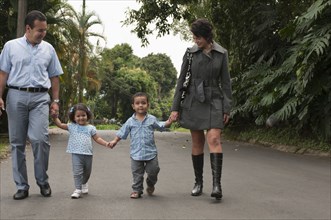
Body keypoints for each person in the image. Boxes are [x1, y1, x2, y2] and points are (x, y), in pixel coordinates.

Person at [0, 10, 63, 200]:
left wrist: (56, 101)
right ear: (28, 28)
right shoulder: (11, 47)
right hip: (16, 96)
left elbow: (54, 76)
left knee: (40, 139)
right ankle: (21, 186)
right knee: (17, 143)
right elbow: (3, 73)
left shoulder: (48, 49)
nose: (43, 34)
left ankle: (43, 181)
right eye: (40, 30)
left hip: (40, 98)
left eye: (45, 30)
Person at [170, 18, 233, 200]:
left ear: (207, 36)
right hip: (193, 99)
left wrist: (226, 108)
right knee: (197, 142)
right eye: (194, 37)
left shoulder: (222, 53)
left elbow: (226, 83)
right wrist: (175, 108)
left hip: (214, 99)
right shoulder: (190, 53)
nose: (195, 40)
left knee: (213, 138)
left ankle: (217, 185)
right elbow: (181, 81)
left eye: (198, 37)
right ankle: (198, 182)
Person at [109, 92, 173, 199]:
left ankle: (151, 183)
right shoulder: (130, 121)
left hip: (150, 153)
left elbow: (161, 125)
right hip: (136, 154)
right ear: (133, 106)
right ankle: (137, 190)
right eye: (137, 103)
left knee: (154, 170)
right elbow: (122, 132)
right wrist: (115, 141)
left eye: (143, 103)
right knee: (137, 174)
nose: (140, 105)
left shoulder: (151, 119)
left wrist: (170, 121)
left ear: (148, 105)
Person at [52, 103, 111, 199]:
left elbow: (97, 138)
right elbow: (60, 124)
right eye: (78, 116)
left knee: (87, 172)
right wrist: (55, 118)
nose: (81, 118)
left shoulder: (91, 128)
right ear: (73, 117)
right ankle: (78, 189)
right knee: (77, 172)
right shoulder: (71, 126)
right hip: (76, 154)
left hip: (88, 154)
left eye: (83, 115)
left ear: (87, 115)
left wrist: (106, 144)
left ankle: (84, 183)